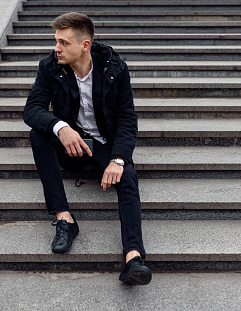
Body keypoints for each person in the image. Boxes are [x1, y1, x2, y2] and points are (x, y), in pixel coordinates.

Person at [23, 12, 151, 286]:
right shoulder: (50, 67)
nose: (56, 48)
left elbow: (127, 119)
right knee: (39, 134)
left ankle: (133, 256)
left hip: (103, 145)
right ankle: (64, 219)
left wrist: (118, 158)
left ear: (85, 45)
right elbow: (32, 109)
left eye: (63, 43)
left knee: (127, 175)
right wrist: (60, 126)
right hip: (70, 145)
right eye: (56, 41)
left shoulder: (115, 68)